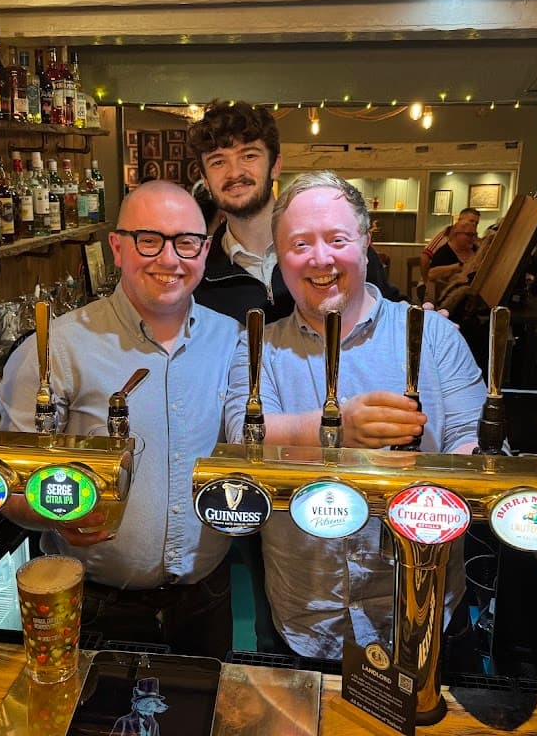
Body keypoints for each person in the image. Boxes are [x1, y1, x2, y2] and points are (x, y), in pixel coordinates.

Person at [224, 170, 487, 661]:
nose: (320, 258)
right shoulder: (261, 346)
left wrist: (474, 460)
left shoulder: (435, 336)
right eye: (300, 244)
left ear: (367, 243)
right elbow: (243, 437)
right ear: (279, 257)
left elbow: (471, 442)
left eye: (337, 240)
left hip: (423, 611)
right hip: (305, 618)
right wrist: (337, 428)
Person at [0, 181, 241, 659]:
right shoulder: (54, 348)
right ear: (116, 247)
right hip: (94, 606)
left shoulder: (231, 339)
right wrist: (53, 512)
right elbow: (7, 481)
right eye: (149, 240)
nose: (169, 259)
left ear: (205, 249)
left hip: (208, 600)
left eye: (186, 242)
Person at [187, 100, 402, 324]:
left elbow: (389, 317)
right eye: (218, 162)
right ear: (205, 179)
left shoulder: (340, 249)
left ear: (275, 166)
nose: (234, 173)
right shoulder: (197, 275)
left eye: (249, 156)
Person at [418, 206, 480, 285]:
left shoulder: (473, 242)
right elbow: (424, 257)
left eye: (476, 223)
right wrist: (426, 282)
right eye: (471, 221)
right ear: (460, 221)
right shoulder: (443, 236)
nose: (473, 225)